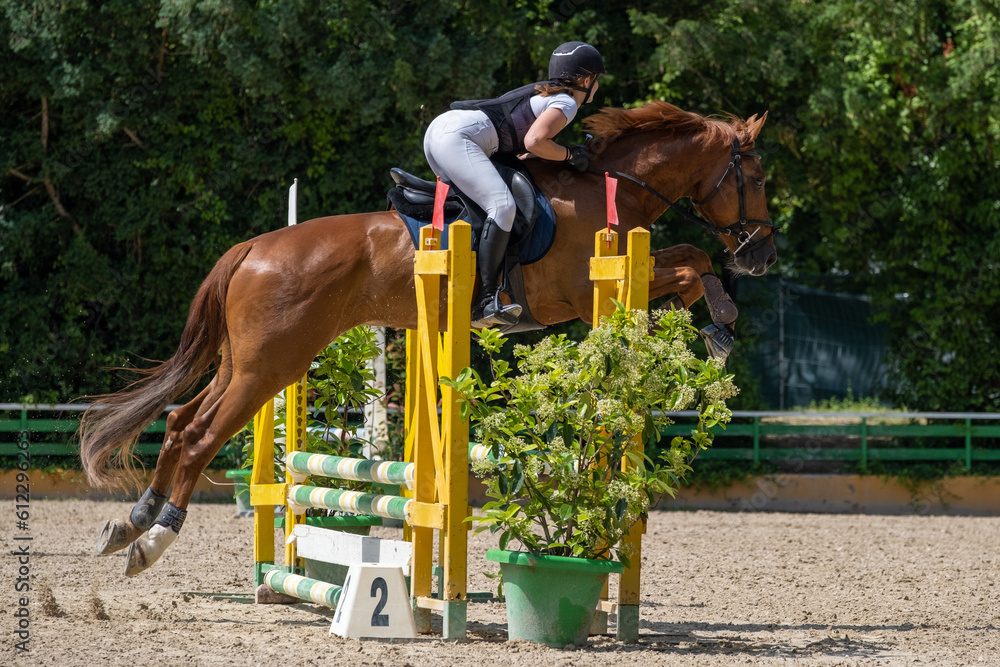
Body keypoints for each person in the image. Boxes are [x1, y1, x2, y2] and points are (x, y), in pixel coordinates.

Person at [423, 41, 605, 328]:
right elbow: (535, 141)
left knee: (483, 209)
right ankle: (485, 300)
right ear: (586, 80)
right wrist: (571, 155)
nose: (597, 87)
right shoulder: (567, 102)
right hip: (459, 139)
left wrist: (552, 152)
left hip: (440, 133)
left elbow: (528, 146)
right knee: (503, 207)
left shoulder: (547, 92)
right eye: (597, 80)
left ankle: (472, 281)